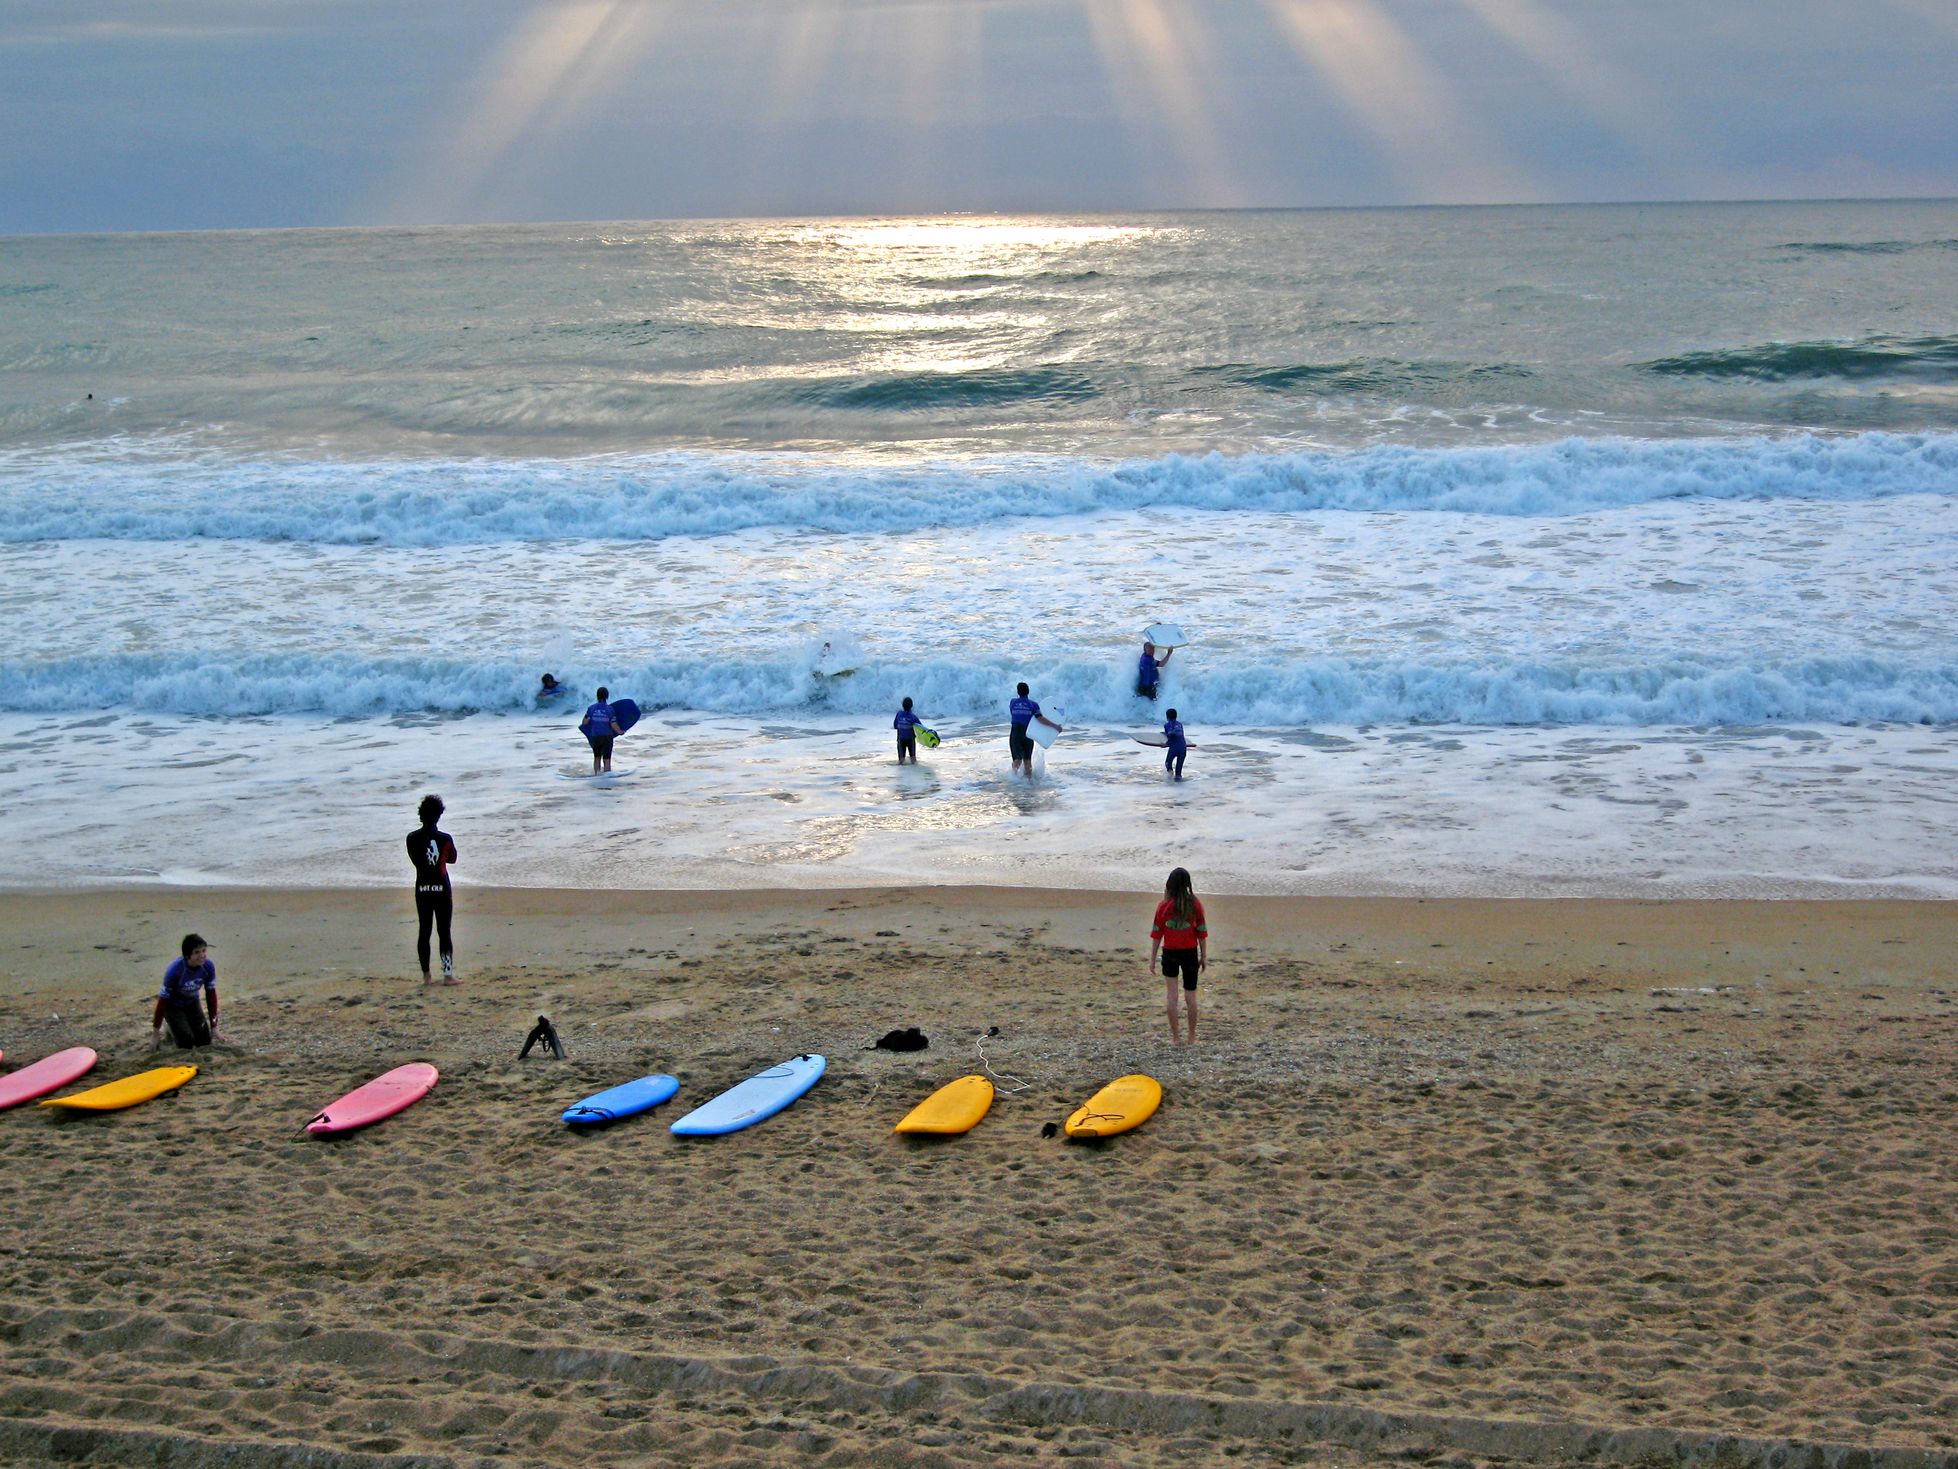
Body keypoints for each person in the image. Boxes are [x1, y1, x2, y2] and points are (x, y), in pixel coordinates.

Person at [1149, 867, 1208, 1046]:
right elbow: (1202, 932)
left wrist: (1152, 958)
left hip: (1170, 953)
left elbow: (1157, 933)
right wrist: (1204, 956)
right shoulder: (1195, 905)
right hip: (1190, 953)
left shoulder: (1163, 906)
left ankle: (1176, 1038)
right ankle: (1191, 1036)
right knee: (1191, 997)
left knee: (1172, 997)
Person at [407, 794, 459, 985]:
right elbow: (452, 859)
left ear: (421, 815)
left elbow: (416, 861)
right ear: (439, 816)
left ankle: (426, 975)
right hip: (442, 888)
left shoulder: (411, 838)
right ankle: (447, 975)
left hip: (422, 888)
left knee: (424, 931)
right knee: (444, 931)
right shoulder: (445, 838)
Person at [152, 933, 223, 1050]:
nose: (202, 956)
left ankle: (183, 1025)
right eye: (196, 952)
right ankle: (169, 1026)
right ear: (187, 955)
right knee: (186, 1043)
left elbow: (211, 996)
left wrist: (214, 1027)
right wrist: (155, 1034)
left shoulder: (208, 967)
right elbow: (162, 1002)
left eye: (204, 950)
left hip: (191, 1001)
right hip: (172, 1005)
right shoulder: (174, 971)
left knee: (204, 1041)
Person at [1008, 681, 1063, 776]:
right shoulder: (1033, 705)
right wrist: (1055, 726)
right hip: (1028, 734)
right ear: (1028, 691)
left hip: (1015, 733)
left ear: (1018, 692)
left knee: (1017, 761)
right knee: (1027, 763)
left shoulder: (1013, 702)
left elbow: (1014, 714)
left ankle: (1013, 780)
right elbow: (1040, 719)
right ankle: (1029, 784)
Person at [583, 685, 623, 774]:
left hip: (595, 736)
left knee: (597, 757)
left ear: (597, 696)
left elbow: (585, 722)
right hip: (607, 736)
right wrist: (620, 731)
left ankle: (596, 776)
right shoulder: (610, 709)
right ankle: (606, 778)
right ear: (607, 696)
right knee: (607, 759)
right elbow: (613, 724)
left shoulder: (591, 708)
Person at [1162, 706, 1189, 780]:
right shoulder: (1180, 724)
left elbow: (1171, 735)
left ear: (1167, 717)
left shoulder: (1167, 725)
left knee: (1168, 763)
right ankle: (1179, 785)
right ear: (1176, 716)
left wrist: (1165, 744)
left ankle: (1170, 777)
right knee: (1178, 772)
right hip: (1183, 747)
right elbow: (1178, 734)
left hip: (1174, 748)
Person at [894, 696, 922, 764]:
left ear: (902, 705)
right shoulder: (913, 717)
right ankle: (913, 769)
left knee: (901, 760)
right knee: (913, 759)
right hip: (910, 740)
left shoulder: (899, 714)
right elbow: (920, 728)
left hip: (901, 739)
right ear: (911, 706)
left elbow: (895, 726)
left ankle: (901, 772)